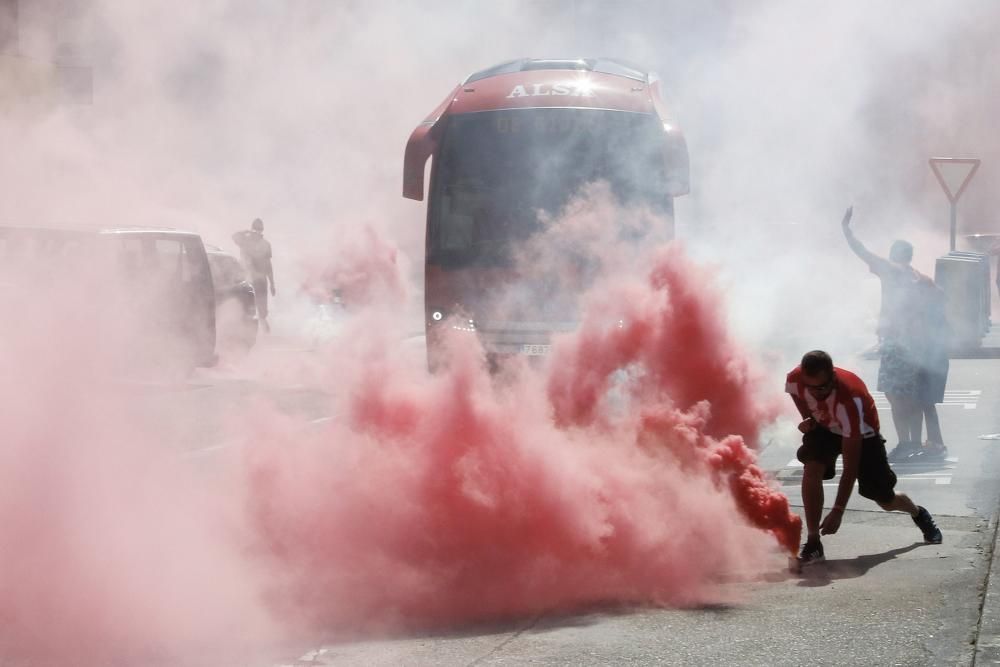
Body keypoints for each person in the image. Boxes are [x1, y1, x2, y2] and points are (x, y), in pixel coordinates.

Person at [787, 350, 942, 565]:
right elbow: (805, 406)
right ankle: (813, 543)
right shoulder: (795, 381)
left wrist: (838, 511)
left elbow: (850, 468)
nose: (816, 394)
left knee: (885, 500)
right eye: (810, 387)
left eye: (822, 388)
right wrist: (807, 420)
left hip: (863, 436)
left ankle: (918, 512)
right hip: (826, 427)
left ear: (832, 376)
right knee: (811, 467)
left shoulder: (850, 400)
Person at [841, 206, 943, 461]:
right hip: (919, 345)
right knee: (912, 395)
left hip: (897, 344)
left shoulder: (891, 270)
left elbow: (863, 252)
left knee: (895, 395)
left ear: (894, 256)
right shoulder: (921, 278)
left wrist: (846, 230)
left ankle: (906, 443)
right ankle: (915, 442)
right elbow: (940, 303)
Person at [232, 218, 276, 333]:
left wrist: (272, 283)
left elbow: (268, 265)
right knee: (246, 303)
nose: (257, 233)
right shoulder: (245, 241)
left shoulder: (266, 244)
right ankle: (245, 328)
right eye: (255, 230)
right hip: (247, 277)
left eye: (259, 230)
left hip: (261, 278)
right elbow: (234, 236)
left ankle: (263, 326)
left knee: (262, 305)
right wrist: (246, 232)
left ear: (262, 231)